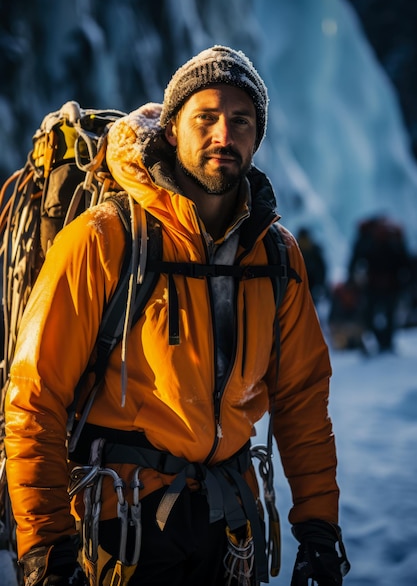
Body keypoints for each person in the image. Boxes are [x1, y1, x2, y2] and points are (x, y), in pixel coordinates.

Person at [4, 45, 349, 586]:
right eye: (205, 117)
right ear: (170, 131)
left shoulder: (277, 255)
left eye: (240, 121)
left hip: (231, 523)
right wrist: (45, 546)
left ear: (257, 138)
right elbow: (34, 394)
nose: (223, 135)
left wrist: (320, 531)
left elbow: (303, 399)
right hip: (122, 523)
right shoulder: (105, 238)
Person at [348, 215, 412, 352]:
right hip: (389, 284)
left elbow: (356, 259)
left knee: (372, 315)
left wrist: (353, 279)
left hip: (376, 284)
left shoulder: (367, 241)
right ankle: (386, 343)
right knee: (387, 315)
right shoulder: (392, 241)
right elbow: (406, 263)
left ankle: (384, 342)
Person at [296, 227, 327, 304]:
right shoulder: (294, 252)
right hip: (298, 285)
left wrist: (319, 284)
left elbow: (321, 270)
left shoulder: (315, 253)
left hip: (312, 286)